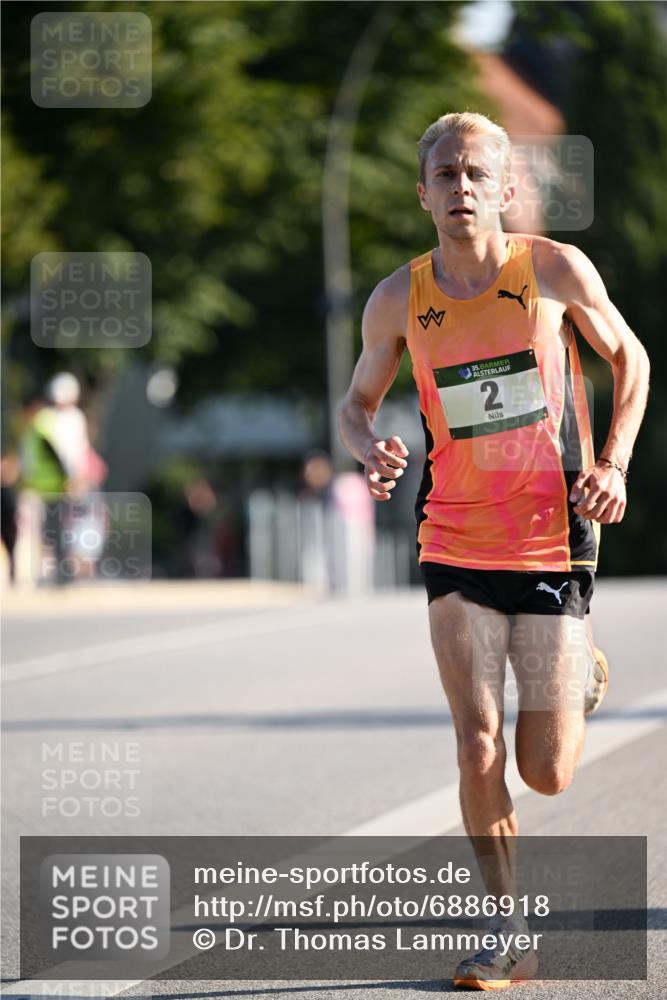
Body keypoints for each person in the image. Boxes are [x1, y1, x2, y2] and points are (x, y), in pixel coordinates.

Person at [338, 112, 650, 990]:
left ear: (505, 189)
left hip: (553, 534)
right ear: (423, 192)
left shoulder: (550, 269)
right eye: (444, 175)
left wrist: (615, 463)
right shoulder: (396, 298)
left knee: (544, 771)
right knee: (476, 744)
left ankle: (578, 669)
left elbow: (631, 360)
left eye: (477, 174)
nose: (461, 188)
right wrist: (368, 448)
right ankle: (503, 930)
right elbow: (354, 403)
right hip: (455, 535)